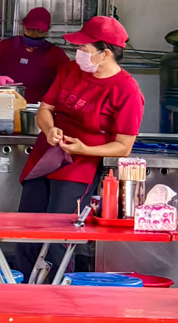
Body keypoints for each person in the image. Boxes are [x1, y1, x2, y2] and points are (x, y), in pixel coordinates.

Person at [13, 16, 144, 277]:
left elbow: (123, 146)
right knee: (26, 229)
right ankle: (22, 294)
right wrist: (50, 130)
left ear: (105, 54)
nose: (78, 53)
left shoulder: (127, 90)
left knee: (58, 237)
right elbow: (45, 108)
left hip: (79, 168)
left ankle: (55, 298)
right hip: (45, 157)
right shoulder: (71, 70)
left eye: (84, 49)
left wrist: (83, 149)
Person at [0, 6, 70, 104]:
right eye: (30, 30)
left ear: (48, 30)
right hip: (5, 106)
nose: (34, 35)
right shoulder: (6, 46)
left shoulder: (55, 54)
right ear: (23, 26)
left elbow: (69, 79)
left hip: (38, 109)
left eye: (40, 31)